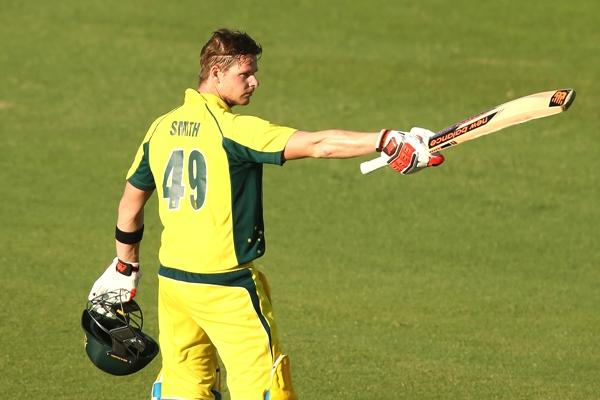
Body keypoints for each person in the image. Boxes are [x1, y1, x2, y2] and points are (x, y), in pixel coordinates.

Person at [88, 28, 444, 400]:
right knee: (265, 391)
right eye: (245, 74)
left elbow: (130, 207)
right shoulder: (232, 130)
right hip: (226, 290)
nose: (255, 82)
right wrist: (385, 140)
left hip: (175, 288)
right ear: (216, 74)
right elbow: (318, 144)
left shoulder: (160, 129)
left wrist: (125, 268)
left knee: (183, 389)